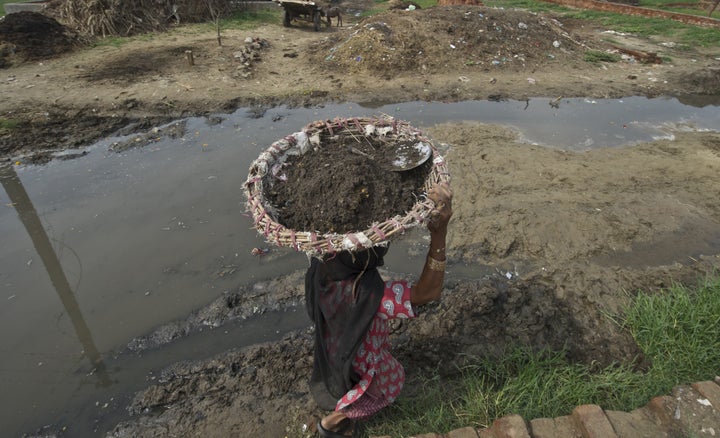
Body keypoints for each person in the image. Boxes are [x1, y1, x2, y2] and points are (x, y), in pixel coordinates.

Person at [305, 182, 453, 437]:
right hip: (360, 359)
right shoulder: (370, 295)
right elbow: (427, 293)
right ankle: (332, 423)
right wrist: (439, 234)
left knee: (345, 374)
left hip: (332, 345)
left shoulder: (319, 266)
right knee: (388, 385)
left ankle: (338, 415)